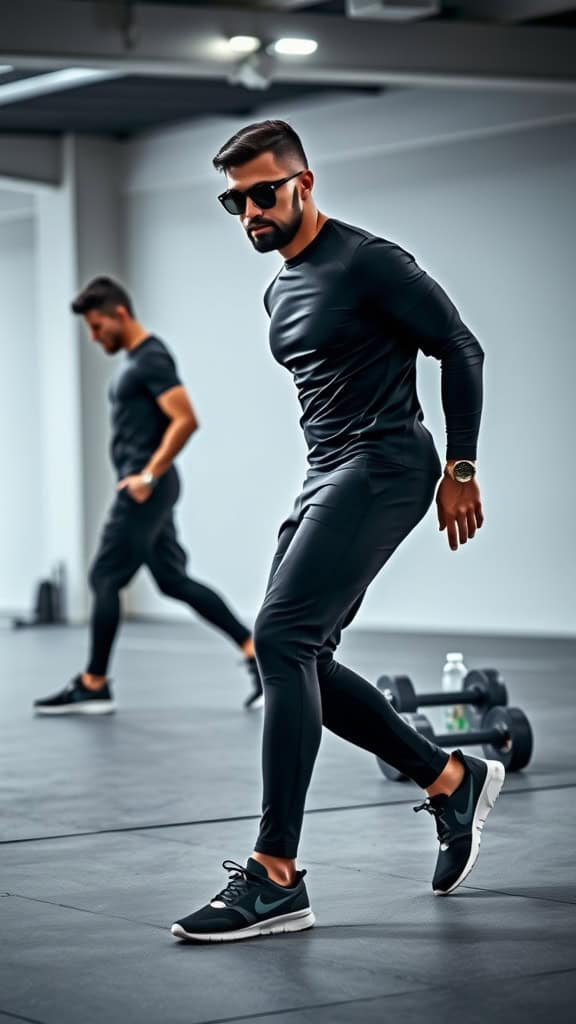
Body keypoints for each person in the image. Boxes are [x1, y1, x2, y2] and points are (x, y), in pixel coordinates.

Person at [171, 121, 504, 944]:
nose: (250, 212)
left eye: (263, 193)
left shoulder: (368, 261)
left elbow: (460, 347)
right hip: (328, 470)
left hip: (387, 465)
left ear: (303, 182)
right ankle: (451, 777)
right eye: (234, 200)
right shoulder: (280, 287)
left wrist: (459, 467)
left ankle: (275, 875)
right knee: (303, 652)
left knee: (280, 639)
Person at [33, 277, 262, 714]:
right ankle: (255, 651)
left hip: (144, 490)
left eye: (97, 326)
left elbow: (186, 419)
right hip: (150, 489)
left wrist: (148, 476)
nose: (94, 336)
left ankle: (94, 683)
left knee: (104, 578)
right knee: (173, 580)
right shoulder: (137, 360)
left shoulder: (152, 358)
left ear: (119, 314)